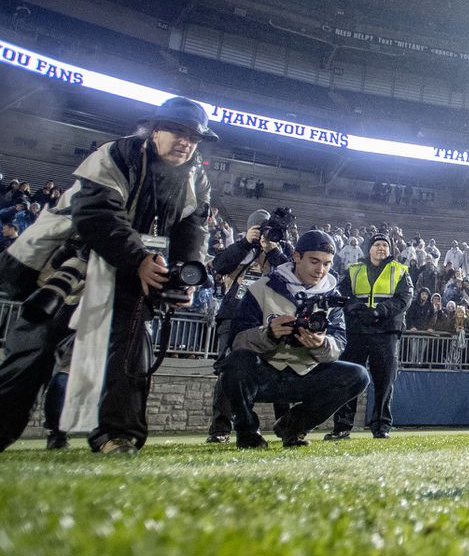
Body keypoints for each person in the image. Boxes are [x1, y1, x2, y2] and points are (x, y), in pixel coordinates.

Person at [0, 97, 214, 455]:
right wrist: (139, 258)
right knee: (33, 350)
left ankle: (118, 435)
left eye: (193, 136)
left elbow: (192, 231)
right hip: (70, 259)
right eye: (177, 131)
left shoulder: (196, 177)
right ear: (155, 129)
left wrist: (185, 275)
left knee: (131, 352)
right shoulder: (114, 154)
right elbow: (96, 213)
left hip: (130, 270)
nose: (186, 142)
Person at [218, 231, 369, 448]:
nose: (321, 270)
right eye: (314, 261)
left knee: (358, 375)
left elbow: (339, 344)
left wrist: (321, 344)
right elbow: (237, 341)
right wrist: (268, 333)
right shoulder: (261, 288)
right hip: (265, 371)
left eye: (327, 264)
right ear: (296, 256)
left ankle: (294, 426)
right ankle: (248, 432)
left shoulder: (332, 296)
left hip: (305, 373)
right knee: (235, 362)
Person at [205, 208, 292, 445]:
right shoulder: (240, 248)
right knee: (228, 369)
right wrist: (245, 243)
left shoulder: (280, 251)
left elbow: (293, 278)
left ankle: (287, 427)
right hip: (234, 315)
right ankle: (220, 428)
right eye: (260, 229)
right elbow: (220, 266)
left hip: (269, 317)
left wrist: (272, 250)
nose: (265, 234)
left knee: (280, 366)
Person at [326, 232, 412, 441]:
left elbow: (404, 299)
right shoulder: (354, 270)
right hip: (357, 330)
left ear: (390, 249)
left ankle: (381, 427)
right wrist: (356, 308)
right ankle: (342, 427)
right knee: (349, 379)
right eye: (377, 245)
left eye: (385, 245)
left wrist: (379, 311)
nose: (381, 248)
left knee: (384, 383)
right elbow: (341, 296)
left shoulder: (400, 270)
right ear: (369, 249)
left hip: (386, 332)